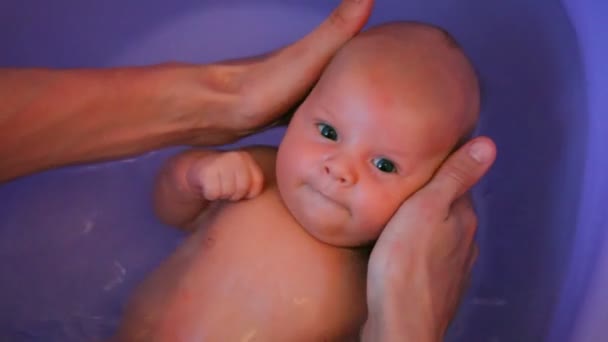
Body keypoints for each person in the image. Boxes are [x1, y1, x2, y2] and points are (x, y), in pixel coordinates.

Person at [0, 0, 496, 340]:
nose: (338, 169)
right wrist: (193, 177)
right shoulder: (261, 178)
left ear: (431, 193)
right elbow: (169, 212)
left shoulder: (378, 280)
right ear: (297, 109)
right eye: (326, 132)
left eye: (384, 164)